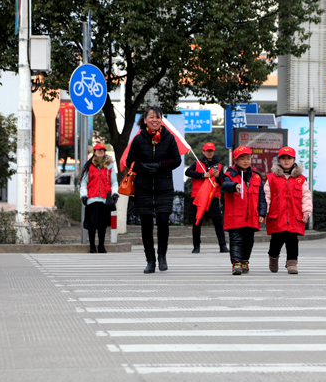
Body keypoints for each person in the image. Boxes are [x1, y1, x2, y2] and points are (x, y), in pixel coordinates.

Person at [126, 106, 182, 273]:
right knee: (146, 226)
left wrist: (160, 166)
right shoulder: (138, 139)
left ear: (161, 120)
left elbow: (176, 160)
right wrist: (143, 167)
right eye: (151, 117)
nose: (154, 120)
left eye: (158, 117)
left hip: (164, 187)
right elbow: (130, 162)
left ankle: (162, 256)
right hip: (143, 188)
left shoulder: (169, 138)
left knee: (164, 222)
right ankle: (150, 260)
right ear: (145, 120)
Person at [264, 147, 312, 274]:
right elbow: (266, 197)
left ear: (294, 160)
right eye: (283, 158)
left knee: (292, 241)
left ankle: (292, 263)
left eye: (289, 158)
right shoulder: (271, 178)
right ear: (279, 160)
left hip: (294, 216)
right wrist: (264, 212)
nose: (286, 161)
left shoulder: (301, 179)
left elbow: (306, 197)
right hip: (276, 216)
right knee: (276, 241)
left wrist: (306, 212)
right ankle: (273, 258)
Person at [222, 145, 267, 275]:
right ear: (235, 160)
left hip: (251, 215)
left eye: (248, 158)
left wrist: (262, 213)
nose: (246, 161)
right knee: (236, 239)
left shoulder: (256, 175)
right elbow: (225, 185)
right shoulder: (229, 174)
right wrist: (234, 185)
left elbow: (261, 197)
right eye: (242, 158)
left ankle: (245, 261)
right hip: (235, 215)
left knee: (249, 240)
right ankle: (236, 263)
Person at [185, 142, 228, 254]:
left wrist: (218, 176)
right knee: (196, 222)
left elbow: (223, 181)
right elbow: (188, 172)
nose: (209, 153)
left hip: (213, 196)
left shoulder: (218, 166)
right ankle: (196, 246)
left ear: (213, 152)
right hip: (198, 197)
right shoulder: (197, 163)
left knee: (218, 222)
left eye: (211, 151)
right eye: (207, 151)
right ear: (203, 151)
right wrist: (202, 175)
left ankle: (223, 246)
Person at [80, 143, 119, 253]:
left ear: (105, 151)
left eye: (102, 150)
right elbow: (84, 182)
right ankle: (92, 246)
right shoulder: (89, 165)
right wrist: (83, 195)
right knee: (92, 224)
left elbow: (114, 182)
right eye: (98, 150)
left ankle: (101, 246)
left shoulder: (110, 165)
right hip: (91, 198)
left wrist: (115, 193)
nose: (100, 151)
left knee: (102, 225)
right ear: (94, 152)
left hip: (104, 199)